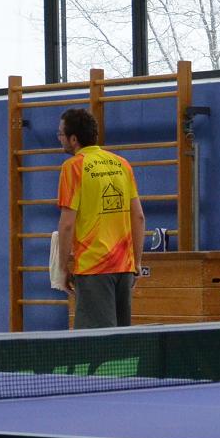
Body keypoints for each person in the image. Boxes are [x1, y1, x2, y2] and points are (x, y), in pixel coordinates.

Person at [54, 107, 144, 328]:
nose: (59, 139)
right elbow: (139, 217)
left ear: (73, 139)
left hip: (94, 268)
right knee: (120, 343)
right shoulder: (122, 164)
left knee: (95, 343)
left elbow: (67, 225)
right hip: (124, 267)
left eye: (61, 134)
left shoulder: (73, 168)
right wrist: (137, 262)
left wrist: (62, 268)